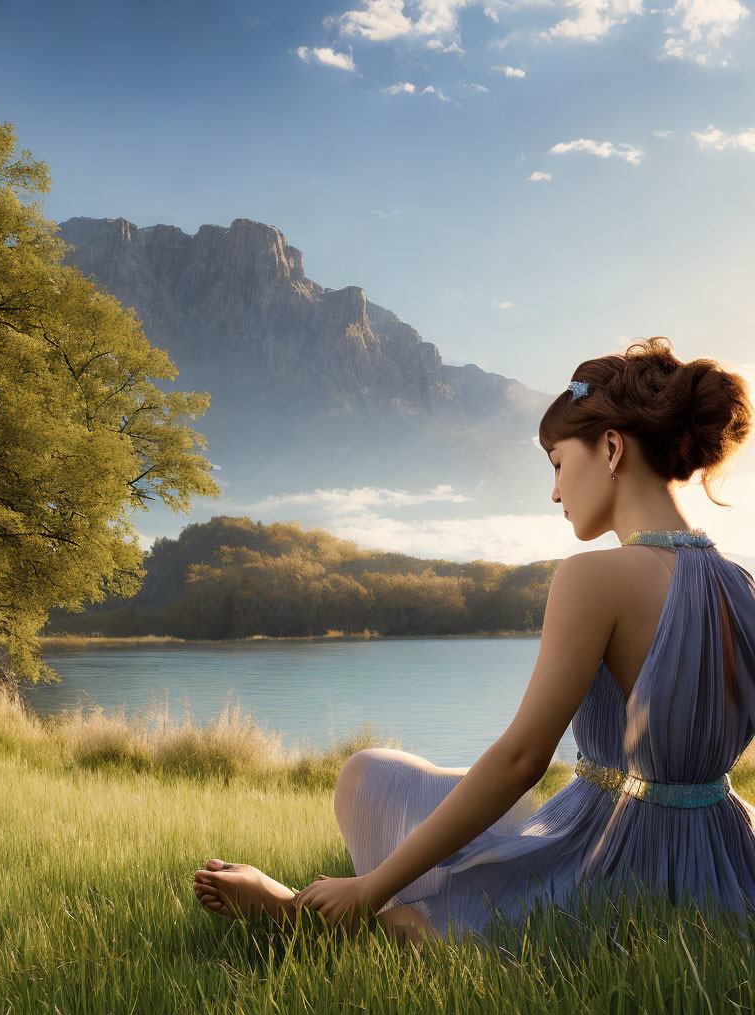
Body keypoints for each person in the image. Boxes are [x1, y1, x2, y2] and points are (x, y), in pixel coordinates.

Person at [192, 336, 755, 947]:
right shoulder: (741, 584)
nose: (556, 493)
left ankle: (293, 916)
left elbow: (522, 761)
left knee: (410, 909)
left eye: (558, 463)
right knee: (381, 777)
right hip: (725, 852)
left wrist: (371, 885)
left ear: (612, 448)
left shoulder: (593, 578)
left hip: (619, 854)